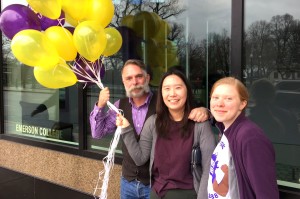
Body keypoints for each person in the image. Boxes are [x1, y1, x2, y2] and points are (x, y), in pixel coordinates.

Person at [89, 59, 209, 199]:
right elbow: (97, 134)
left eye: (139, 76)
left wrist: (205, 111)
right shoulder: (119, 106)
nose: (134, 82)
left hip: (155, 186)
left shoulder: (165, 102)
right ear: (124, 82)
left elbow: (187, 113)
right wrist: (100, 105)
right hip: (128, 182)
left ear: (147, 78)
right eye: (129, 78)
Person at [116, 69, 216, 199]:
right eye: (167, 88)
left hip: (188, 194)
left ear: (187, 91)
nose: (172, 94)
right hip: (157, 193)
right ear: (161, 94)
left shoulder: (200, 124)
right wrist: (126, 129)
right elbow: (140, 158)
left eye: (178, 88)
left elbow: (210, 168)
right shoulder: (153, 122)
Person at [208, 77, 279, 199]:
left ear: (242, 104)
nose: (219, 103)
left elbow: (266, 193)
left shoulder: (250, 137)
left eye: (228, 98)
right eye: (215, 97)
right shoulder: (226, 130)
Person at [248, 78, 299, 144]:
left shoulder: (250, 121)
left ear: (253, 96)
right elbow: (295, 142)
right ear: (273, 94)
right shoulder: (289, 116)